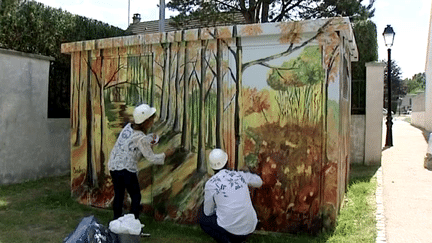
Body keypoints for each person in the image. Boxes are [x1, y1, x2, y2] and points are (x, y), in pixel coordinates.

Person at [108, 104, 174, 220]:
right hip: (126, 169)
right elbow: (151, 157)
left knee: (119, 195)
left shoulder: (128, 127)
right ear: (146, 122)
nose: (152, 122)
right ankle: (134, 223)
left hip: (114, 165)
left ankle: (116, 222)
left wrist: (149, 141)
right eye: (151, 120)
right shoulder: (140, 138)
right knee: (136, 196)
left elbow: (132, 144)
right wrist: (166, 154)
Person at [200, 149, 263, 243]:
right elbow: (259, 182)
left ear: (212, 167)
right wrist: (246, 174)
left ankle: (226, 241)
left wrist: (218, 207)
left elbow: (208, 212)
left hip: (230, 231)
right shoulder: (239, 175)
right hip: (249, 229)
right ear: (227, 161)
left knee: (202, 218)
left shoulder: (211, 184)